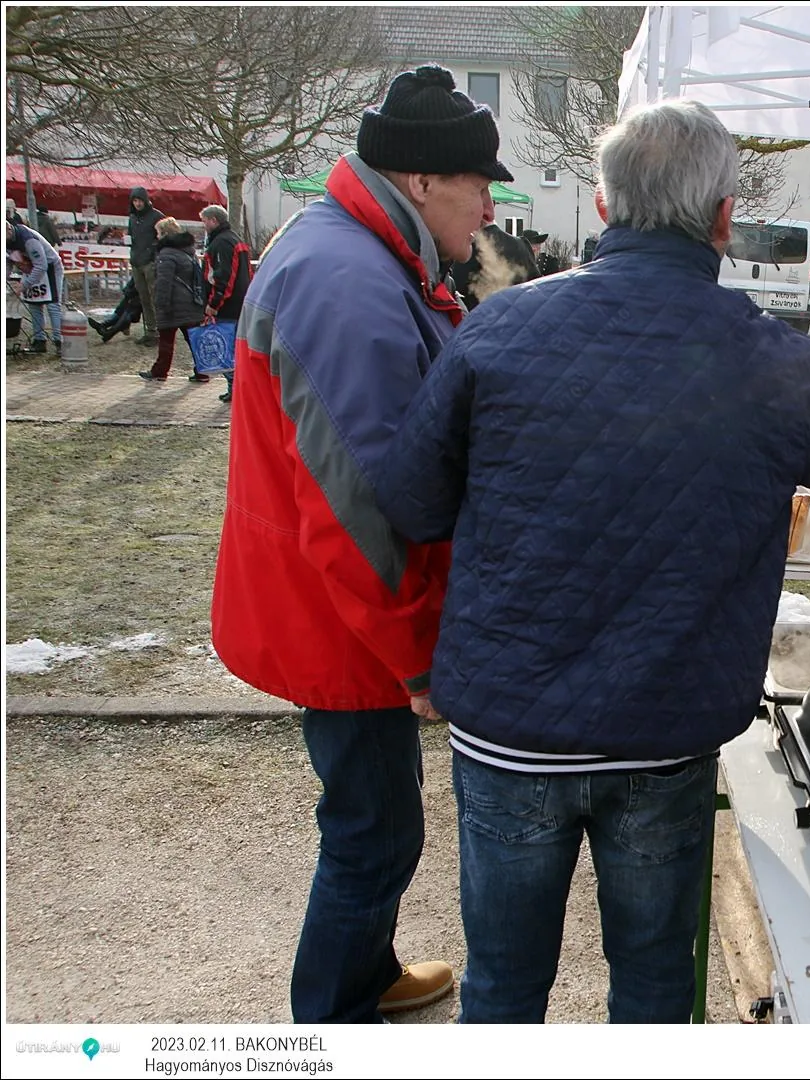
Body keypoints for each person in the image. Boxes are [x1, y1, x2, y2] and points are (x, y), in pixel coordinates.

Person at [374, 98, 810, 1025]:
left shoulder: (497, 329)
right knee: (655, 983)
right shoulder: (766, 355)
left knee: (502, 982)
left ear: (603, 205)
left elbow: (410, 504)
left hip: (511, 722)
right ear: (724, 219)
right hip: (666, 728)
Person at [210, 62, 511, 1024]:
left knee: (374, 815)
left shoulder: (354, 249)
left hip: (329, 603)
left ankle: (366, 972)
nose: (490, 201)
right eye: (479, 181)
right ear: (422, 182)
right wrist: (416, 654)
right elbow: (358, 510)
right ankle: (331, 1020)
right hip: (341, 614)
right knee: (372, 832)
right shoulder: (345, 279)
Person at [137, 218, 205, 382]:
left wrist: (160, 304)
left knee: (166, 341)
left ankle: (160, 371)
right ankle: (202, 371)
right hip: (191, 304)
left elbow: (163, 282)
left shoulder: (166, 254)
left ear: (165, 234)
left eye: (159, 233)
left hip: (173, 305)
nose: (157, 237)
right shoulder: (189, 252)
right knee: (194, 341)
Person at [198, 204, 251, 404]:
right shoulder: (236, 239)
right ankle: (237, 388)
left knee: (226, 349)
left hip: (228, 305)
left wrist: (214, 303)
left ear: (213, 220)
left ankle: (235, 388)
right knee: (234, 349)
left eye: (205, 221)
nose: (203, 226)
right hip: (240, 302)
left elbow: (224, 277)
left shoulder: (221, 243)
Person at [6, 217, 65, 354]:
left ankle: (59, 342)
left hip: (49, 267)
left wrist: (24, 285)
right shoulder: (6, 241)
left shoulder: (27, 238)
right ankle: (39, 341)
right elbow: (8, 262)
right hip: (30, 267)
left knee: (53, 305)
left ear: (9, 230)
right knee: (34, 304)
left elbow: (42, 265)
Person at [127, 186, 166, 346]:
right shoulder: (133, 218)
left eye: (139, 200)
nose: (137, 204)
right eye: (135, 201)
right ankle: (150, 330)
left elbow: (165, 236)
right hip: (137, 261)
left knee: (154, 298)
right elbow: (132, 238)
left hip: (150, 262)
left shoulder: (157, 216)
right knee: (144, 298)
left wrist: (155, 255)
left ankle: (160, 331)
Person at [87, 277, 143, 342]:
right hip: (132, 300)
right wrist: (129, 292)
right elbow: (128, 287)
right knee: (125, 306)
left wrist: (131, 293)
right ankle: (104, 327)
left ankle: (107, 331)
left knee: (131, 308)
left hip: (142, 302)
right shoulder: (137, 274)